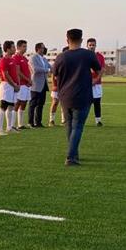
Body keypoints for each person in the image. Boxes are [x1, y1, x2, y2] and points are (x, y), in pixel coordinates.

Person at [53, 28, 101, 166]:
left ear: (67, 40)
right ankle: (71, 156)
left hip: (65, 96)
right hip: (82, 95)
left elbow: (54, 75)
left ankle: (73, 153)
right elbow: (98, 70)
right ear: (81, 40)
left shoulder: (61, 56)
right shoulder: (88, 55)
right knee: (78, 126)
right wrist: (95, 80)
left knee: (69, 126)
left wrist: (57, 88)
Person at [0, 41, 20, 135]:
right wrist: (14, 85)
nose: (14, 49)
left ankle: (9, 127)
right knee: (3, 106)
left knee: (11, 106)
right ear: (8, 49)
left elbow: (15, 73)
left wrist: (17, 84)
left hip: (13, 86)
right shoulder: (3, 60)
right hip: (7, 85)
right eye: (13, 47)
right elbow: (5, 75)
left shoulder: (12, 60)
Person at [28, 43, 51, 127]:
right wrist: (47, 70)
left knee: (41, 104)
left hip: (44, 84)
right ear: (38, 49)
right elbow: (35, 69)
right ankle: (30, 122)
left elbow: (51, 67)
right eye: (43, 48)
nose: (44, 49)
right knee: (33, 104)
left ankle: (38, 122)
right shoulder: (33, 58)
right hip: (36, 84)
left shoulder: (44, 59)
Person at [13, 40, 32, 130]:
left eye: (26, 46)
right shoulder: (16, 57)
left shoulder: (24, 58)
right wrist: (27, 79)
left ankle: (20, 124)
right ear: (18, 47)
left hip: (27, 84)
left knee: (24, 103)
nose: (25, 48)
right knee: (18, 103)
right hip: (21, 83)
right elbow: (18, 72)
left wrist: (29, 79)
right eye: (24, 46)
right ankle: (12, 125)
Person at [49, 46, 70, 126]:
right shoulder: (58, 62)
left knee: (64, 104)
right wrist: (54, 85)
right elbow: (53, 74)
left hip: (66, 87)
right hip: (57, 87)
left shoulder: (71, 63)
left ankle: (64, 120)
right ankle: (51, 120)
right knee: (55, 102)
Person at [87, 38, 106, 126]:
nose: (91, 47)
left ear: (95, 46)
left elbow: (102, 70)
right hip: (85, 83)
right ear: (87, 46)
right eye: (90, 45)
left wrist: (96, 80)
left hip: (97, 84)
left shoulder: (100, 57)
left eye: (93, 45)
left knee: (97, 102)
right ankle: (81, 120)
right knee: (85, 103)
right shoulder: (83, 56)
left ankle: (98, 121)